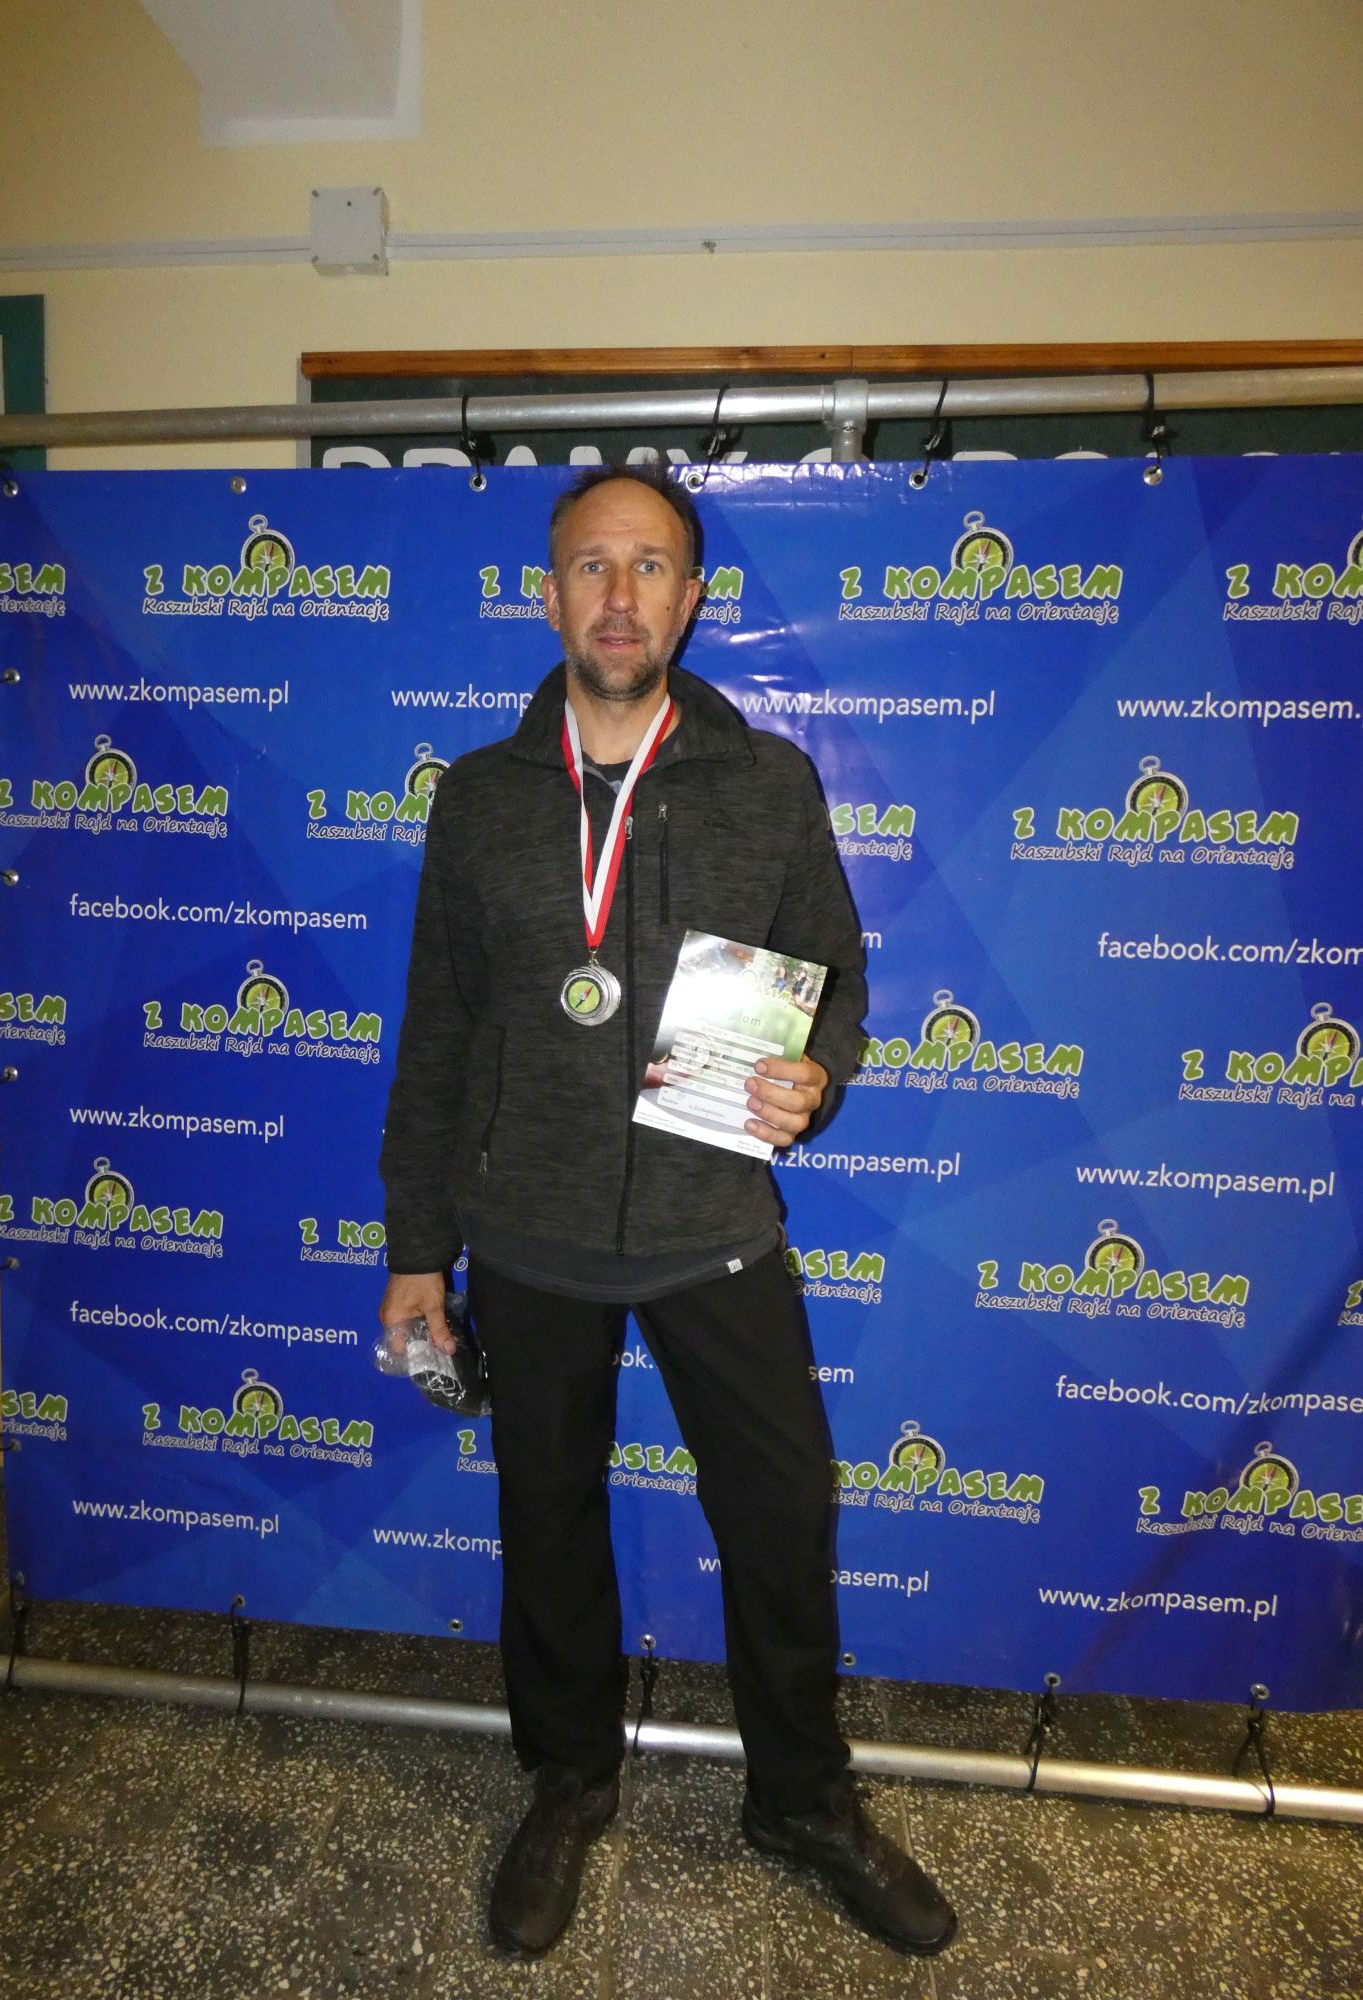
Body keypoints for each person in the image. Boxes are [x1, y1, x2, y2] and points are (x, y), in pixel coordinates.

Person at [378, 465, 956, 1961]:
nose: (621, 596)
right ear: (549, 595)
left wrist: (817, 1073)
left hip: (715, 1220)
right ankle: (568, 1782)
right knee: (546, 1514)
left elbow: (835, 974)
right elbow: (437, 1036)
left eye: (649, 567)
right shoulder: (480, 798)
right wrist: (415, 1252)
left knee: (783, 1510)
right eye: (592, 565)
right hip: (529, 1231)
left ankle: (803, 1801)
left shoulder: (768, 783)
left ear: (693, 600)